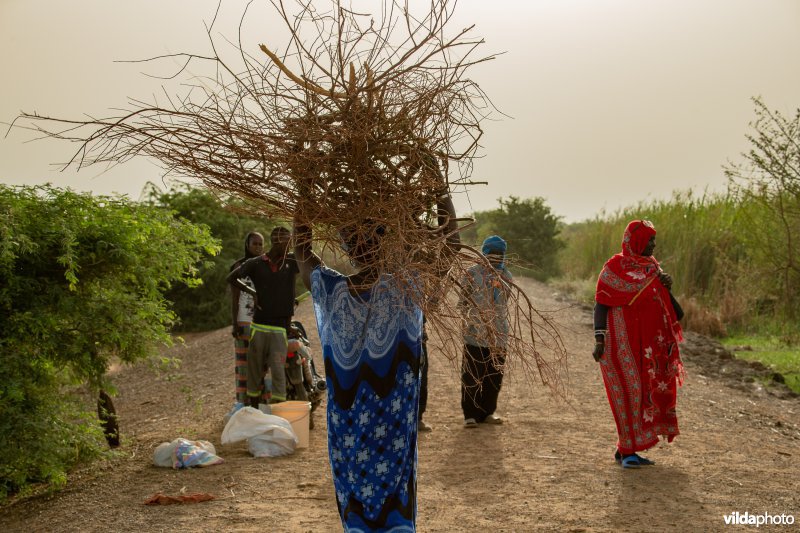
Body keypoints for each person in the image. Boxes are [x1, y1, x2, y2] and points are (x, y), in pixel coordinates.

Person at [294, 196, 459, 531]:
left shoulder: (332, 290)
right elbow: (451, 244)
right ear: (390, 242)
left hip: (348, 430)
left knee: (355, 504)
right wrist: (440, 189)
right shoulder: (406, 288)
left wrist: (305, 189)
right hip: (394, 428)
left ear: (348, 247)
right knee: (396, 506)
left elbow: (301, 250)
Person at [593, 219, 685, 469]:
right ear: (637, 241)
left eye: (654, 240)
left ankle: (627, 448)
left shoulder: (653, 269)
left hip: (646, 348)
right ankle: (627, 449)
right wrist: (599, 338)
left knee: (643, 395)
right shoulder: (614, 268)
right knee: (628, 393)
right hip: (619, 344)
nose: (654, 245)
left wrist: (666, 287)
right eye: (650, 240)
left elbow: (677, 313)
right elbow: (601, 303)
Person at [227, 226, 299, 408]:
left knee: (278, 374)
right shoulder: (256, 263)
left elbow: (310, 263)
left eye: (290, 240)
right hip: (258, 327)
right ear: (276, 241)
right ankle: (253, 413)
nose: (288, 244)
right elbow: (232, 278)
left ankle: (278, 416)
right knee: (253, 373)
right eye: (285, 240)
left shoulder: (292, 261)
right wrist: (253, 292)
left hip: (279, 328)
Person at [459, 235, 511, 428]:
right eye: (493, 254)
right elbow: (462, 302)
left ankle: (488, 412)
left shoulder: (506, 275)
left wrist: (498, 283)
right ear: (485, 253)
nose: (496, 258)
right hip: (475, 334)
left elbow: (504, 301)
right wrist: (470, 321)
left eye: (500, 254)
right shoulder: (471, 274)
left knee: (493, 376)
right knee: (472, 375)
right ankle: (470, 415)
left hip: (499, 334)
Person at [228, 232, 265, 411]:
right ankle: (243, 403)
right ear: (247, 245)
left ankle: (263, 403)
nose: (258, 247)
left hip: (262, 323)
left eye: (260, 244)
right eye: (254, 244)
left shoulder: (266, 265)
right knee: (243, 364)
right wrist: (235, 324)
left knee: (263, 364)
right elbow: (234, 298)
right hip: (243, 321)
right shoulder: (239, 266)